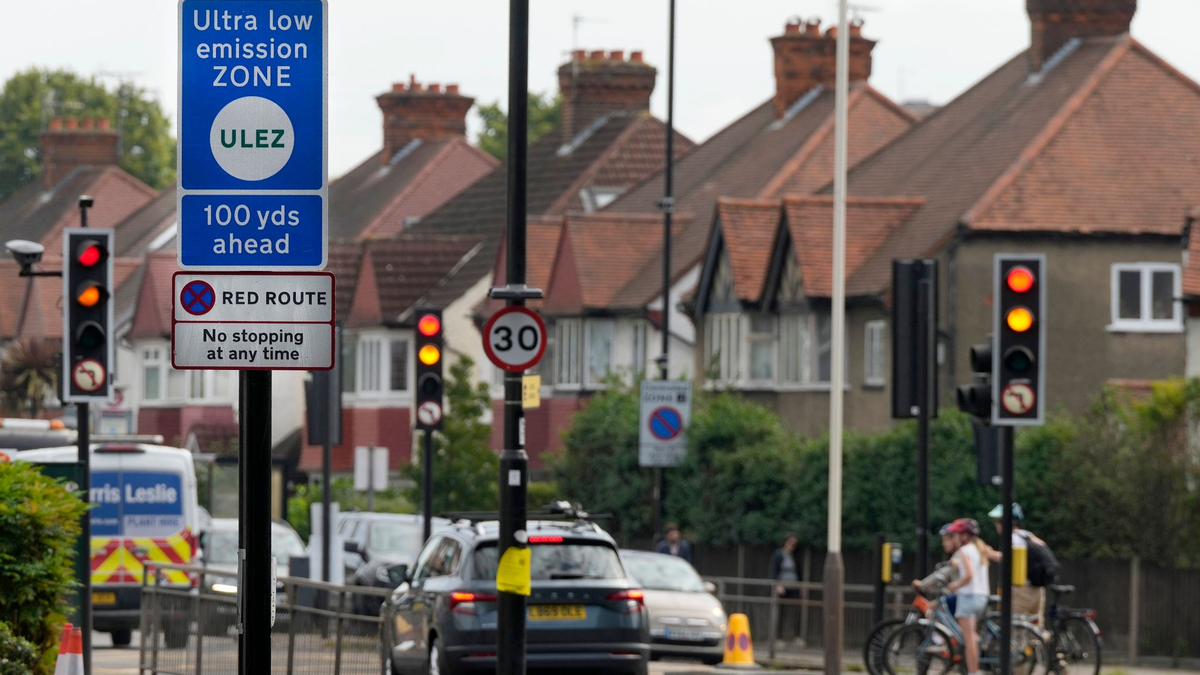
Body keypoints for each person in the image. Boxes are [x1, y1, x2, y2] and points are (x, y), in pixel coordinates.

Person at [917, 519, 988, 675]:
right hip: (981, 597)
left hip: (968, 597)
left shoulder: (964, 551)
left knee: (969, 641)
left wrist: (956, 585)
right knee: (970, 637)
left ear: (964, 536)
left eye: (956, 535)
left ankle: (972, 672)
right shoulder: (979, 549)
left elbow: (968, 574)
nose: (954, 538)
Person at [983, 503, 1048, 625]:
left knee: (1011, 629)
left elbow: (1007, 557)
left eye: (998, 521)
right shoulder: (1027, 535)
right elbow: (1043, 547)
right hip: (1037, 588)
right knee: (1035, 628)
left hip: (1021, 590)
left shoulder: (1013, 537)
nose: (996, 524)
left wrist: (989, 553)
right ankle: (1042, 642)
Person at [768, 533, 801, 644]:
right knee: (781, 612)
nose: (792, 546)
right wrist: (777, 585)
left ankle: (796, 636)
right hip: (782, 587)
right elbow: (774, 571)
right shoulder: (778, 554)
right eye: (790, 543)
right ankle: (779, 638)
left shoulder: (795, 555)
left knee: (796, 611)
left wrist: (800, 586)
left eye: (794, 544)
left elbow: (799, 571)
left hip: (794, 585)